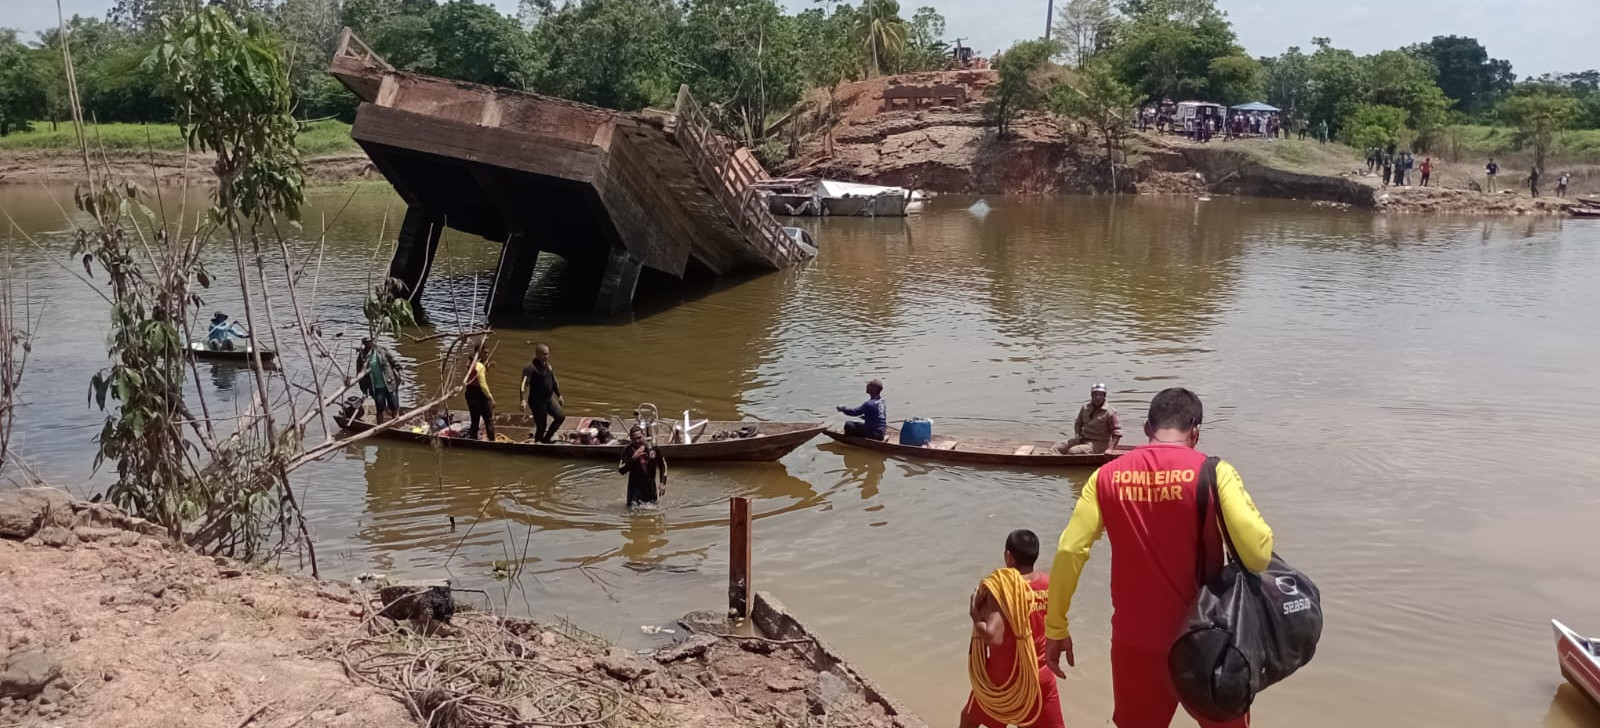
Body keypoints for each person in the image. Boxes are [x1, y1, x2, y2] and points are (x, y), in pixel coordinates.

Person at [1042, 387, 1274, 728]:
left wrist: (1056, 626)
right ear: (1196, 431)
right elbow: (1257, 556)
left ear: (1148, 428)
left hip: (1134, 645)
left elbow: (1069, 551)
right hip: (1207, 643)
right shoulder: (1215, 473)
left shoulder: (1105, 477)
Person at [959, 530, 1065, 728]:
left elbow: (994, 637)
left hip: (1003, 681)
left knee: (969, 720)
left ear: (1008, 556)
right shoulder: (1049, 585)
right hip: (1039, 679)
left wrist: (975, 615)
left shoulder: (1001, 589)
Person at [1053, 383, 1121, 455]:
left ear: (1104, 396)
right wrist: (1077, 435)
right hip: (1083, 439)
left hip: (1099, 443)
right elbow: (1078, 423)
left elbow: (1117, 432)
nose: (1097, 397)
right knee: (1056, 447)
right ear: (1091, 395)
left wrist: (1110, 449)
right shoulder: (1085, 407)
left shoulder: (1110, 411)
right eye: (1095, 394)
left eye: (1100, 395)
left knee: (1073, 451)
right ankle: (1052, 460)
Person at [520, 344, 564, 443]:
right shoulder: (530, 368)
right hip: (537, 402)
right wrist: (522, 399)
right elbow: (523, 385)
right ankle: (538, 442)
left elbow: (553, 381)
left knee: (560, 417)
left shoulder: (548, 366)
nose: (546, 356)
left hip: (549, 399)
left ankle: (547, 438)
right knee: (541, 426)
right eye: (544, 354)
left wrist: (559, 395)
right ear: (537, 354)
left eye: (547, 354)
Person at [618, 425, 668, 507]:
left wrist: (663, 482)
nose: (637, 441)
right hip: (634, 490)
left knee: (653, 512)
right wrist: (633, 458)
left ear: (644, 435)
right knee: (632, 512)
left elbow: (663, 465)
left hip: (650, 488)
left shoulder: (653, 448)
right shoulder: (627, 450)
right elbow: (621, 470)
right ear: (630, 438)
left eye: (639, 437)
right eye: (634, 439)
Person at [358, 337, 402, 423]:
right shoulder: (362, 357)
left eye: (371, 341)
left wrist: (401, 374)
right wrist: (364, 391)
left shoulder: (382, 351)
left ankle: (395, 424)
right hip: (376, 388)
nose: (370, 343)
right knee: (380, 408)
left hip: (390, 383)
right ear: (364, 343)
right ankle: (380, 427)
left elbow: (394, 362)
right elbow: (360, 376)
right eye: (367, 342)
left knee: (394, 406)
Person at [462, 344, 495, 441]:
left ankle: (473, 439)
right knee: (488, 420)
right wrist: (491, 398)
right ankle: (492, 441)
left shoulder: (471, 364)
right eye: (485, 353)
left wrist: (487, 365)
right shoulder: (479, 366)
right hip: (479, 394)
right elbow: (483, 384)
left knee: (475, 420)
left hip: (470, 393)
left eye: (488, 352)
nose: (487, 354)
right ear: (479, 353)